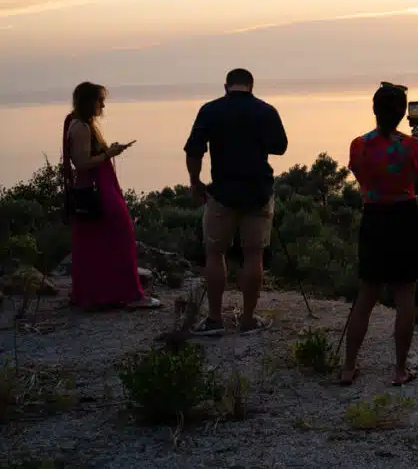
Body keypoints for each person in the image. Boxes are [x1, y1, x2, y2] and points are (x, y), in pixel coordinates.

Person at [184, 68, 288, 336]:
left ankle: (214, 320)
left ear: (226, 86)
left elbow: (194, 150)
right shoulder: (266, 111)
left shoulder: (210, 110)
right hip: (258, 193)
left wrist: (195, 182)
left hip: (221, 194)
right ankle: (248, 320)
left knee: (215, 253)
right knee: (254, 255)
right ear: (251, 86)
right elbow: (280, 146)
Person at [340, 82, 418, 387]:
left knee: (366, 295)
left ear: (374, 110)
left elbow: (361, 178)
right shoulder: (411, 147)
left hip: (374, 218)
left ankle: (349, 367)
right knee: (405, 295)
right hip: (405, 218)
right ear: (404, 113)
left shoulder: (358, 145)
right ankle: (400, 370)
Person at [61, 82, 161, 310]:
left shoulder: (81, 124)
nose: (103, 105)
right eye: (100, 100)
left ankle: (101, 295)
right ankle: (129, 294)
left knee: (96, 245)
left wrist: (109, 151)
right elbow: (82, 163)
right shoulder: (81, 127)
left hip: (96, 189)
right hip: (97, 192)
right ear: (89, 101)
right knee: (122, 236)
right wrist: (110, 153)